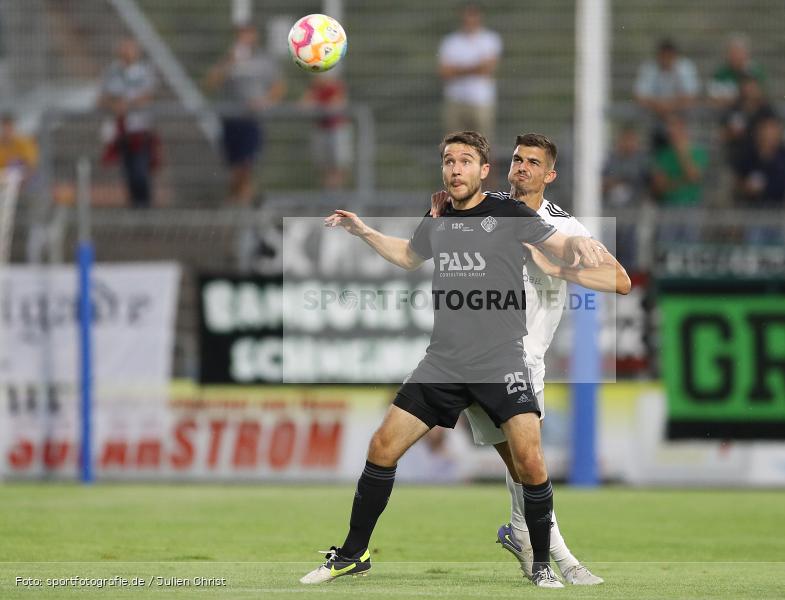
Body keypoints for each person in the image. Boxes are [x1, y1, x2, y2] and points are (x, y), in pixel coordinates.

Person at [301, 131, 606, 588]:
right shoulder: (438, 215)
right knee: (382, 446)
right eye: (449, 161)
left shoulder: (510, 212)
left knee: (531, 463)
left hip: (502, 361)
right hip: (443, 362)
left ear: (484, 171)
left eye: (465, 161)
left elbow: (556, 244)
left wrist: (577, 249)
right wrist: (363, 231)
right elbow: (408, 256)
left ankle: (541, 563)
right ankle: (352, 553)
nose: (455, 168)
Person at [431, 133, 630, 585]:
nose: (521, 167)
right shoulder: (488, 208)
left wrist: (560, 268)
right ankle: (544, 549)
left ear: (549, 174)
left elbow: (620, 281)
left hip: (525, 358)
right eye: (517, 159)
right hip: (477, 354)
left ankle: (538, 545)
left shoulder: (564, 226)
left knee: (526, 465)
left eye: (533, 162)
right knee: (523, 465)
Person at [205, 23, 285, 204]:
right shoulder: (229, 58)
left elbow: (278, 87)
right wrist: (228, 63)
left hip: (251, 120)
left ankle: (244, 202)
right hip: (231, 120)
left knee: (247, 165)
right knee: (233, 168)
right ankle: (237, 201)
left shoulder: (264, 60)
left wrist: (264, 102)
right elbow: (211, 83)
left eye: (248, 34)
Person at [98, 37, 158, 208]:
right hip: (121, 129)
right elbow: (101, 98)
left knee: (141, 171)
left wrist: (127, 104)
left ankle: (144, 206)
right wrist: (114, 104)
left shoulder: (144, 70)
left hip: (139, 129)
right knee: (128, 172)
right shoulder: (111, 71)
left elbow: (147, 95)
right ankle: (136, 208)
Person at [438, 3, 502, 143]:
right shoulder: (450, 42)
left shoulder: (490, 39)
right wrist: (475, 67)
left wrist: (458, 69)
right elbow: (445, 72)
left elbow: (487, 69)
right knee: (453, 144)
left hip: (481, 101)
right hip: (456, 99)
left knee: (483, 145)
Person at [634, 38, 699, 149]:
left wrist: (667, 106)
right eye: (663, 56)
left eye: (669, 57)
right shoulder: (649, 68)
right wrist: (662, 106)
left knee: (682, 152)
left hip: (681, 122)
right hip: (656, 122)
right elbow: (640, 96)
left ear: (675, 56)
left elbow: (691, 96)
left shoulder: (685, 68)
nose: (666, 60)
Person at [300, 72, 353, 190]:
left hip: (336, 130)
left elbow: (337, 104)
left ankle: (337, 193)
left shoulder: (336, 87)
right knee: (323, 167)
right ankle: (329, 193)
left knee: (339, 166)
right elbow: (304, 106)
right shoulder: (314, 89)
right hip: (320, 130)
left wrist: (318, 105)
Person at [650, 114, 708, 207]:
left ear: (683, 127)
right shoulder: (663, 154)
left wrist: (682, 152)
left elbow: (694, 177)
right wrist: (684, 180)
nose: (671, 130)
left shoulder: (698, 152)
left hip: (692, 204)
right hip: (668, 204)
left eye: (674, 126)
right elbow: (660, 186)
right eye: (669, 126)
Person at [707, 34, 767, 107]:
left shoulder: (754, 71)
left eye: (739, 53)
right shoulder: (720, 73)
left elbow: (759, 95)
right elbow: (713, 99)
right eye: (733, 53)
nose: (736, 56)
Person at [0, 113, 39, 183]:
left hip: (22, 177)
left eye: (9, 126)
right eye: (5, 126)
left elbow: (31, 165)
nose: (7, 130)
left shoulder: (24, 142)